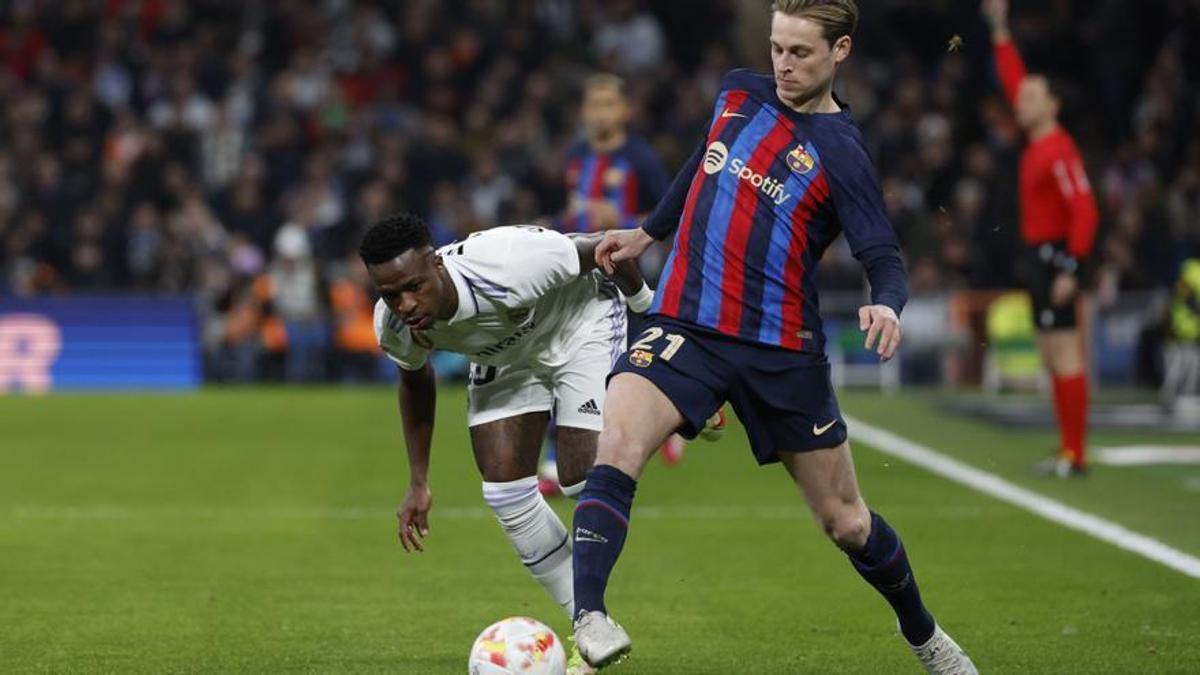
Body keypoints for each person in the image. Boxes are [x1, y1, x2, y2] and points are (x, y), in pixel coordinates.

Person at [568, 2, 977, 672]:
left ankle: (924, 634)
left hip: (780, 350)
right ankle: (590, 615)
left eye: (801, 54)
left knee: (847, 522)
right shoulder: (736, 92)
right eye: (777, 49)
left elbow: (884, 256)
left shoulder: (843, 151)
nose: (783, 66)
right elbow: (702, 162)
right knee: (616, 438)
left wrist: (890, 305)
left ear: (840, 51)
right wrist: (648, 231)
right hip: (686, 325)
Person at [360, 214, 653, 638]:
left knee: (578, 477)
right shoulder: (394, 326)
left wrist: (653, 312)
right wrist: (418, 481)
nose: (405, 305)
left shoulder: (509, 262)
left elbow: (603, 247)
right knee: (505, 492)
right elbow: (415, 382)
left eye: (414, 287)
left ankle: (668, 406)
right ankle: (590, 621)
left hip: (578, 323)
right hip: (507, 356)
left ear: (436, 264)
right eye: (390, 295)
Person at [543, 73, 683, 491]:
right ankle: (558, 461)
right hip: (582, 278)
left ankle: (670, 424)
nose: (600, 112)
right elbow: (572, 212)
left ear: (625, 111)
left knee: (632, 372)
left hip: (633, 277)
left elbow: (670, 216)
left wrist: (626, 223)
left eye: (609, 103)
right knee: (565, 362)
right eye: (593, 104)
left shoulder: (641, 158)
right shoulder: (576, 156)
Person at [983, 0, 1099, 478]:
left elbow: (1085, 209)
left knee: (1065, 352)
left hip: (1055, 255)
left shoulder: (1059, 151)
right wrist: (1000, 30)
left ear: (1052, 106)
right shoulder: (1039, 143)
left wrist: (1071, 268)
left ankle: (1076, 453)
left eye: (1031, 98)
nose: (1021, 101)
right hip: (1040, 255)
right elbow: (1015, 81)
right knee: (1052, 354)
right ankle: (1067, 448)